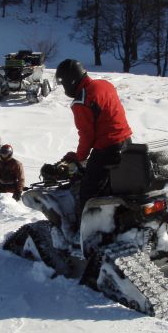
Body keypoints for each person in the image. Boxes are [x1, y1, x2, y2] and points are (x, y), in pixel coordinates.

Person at [55, 59, 133, 222]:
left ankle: (86, 231)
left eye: (63, 83)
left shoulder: (82, 100)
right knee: (115, 186)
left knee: (88, 191)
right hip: (127, 143)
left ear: (70, 80)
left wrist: (79, 157)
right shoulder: (105, 84)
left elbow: (87, 135)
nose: (64, 88)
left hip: (107, 148)